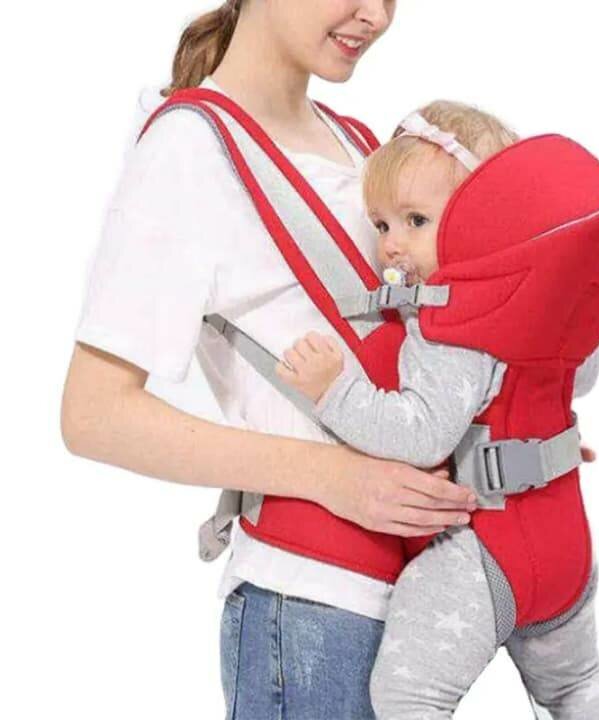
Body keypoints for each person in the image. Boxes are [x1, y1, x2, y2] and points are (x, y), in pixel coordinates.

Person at [60, 3, 482, 718]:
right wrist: (332, 477)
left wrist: (497, 429)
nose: (375, 15)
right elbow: (93, 416)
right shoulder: (188, 149)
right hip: (310, 607)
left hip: (410, 608)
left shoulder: (359, 145)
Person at [277, 101, 599, 719]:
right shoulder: (547, 305)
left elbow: (422, 434)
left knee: (408, 698)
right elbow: (582, 375)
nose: (392, 245)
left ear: (486, 219)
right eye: (381, 224)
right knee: (577, 684)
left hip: (486, 551)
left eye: (415, 220)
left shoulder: (453, 322)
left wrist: (333, 391)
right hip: (565, 543)